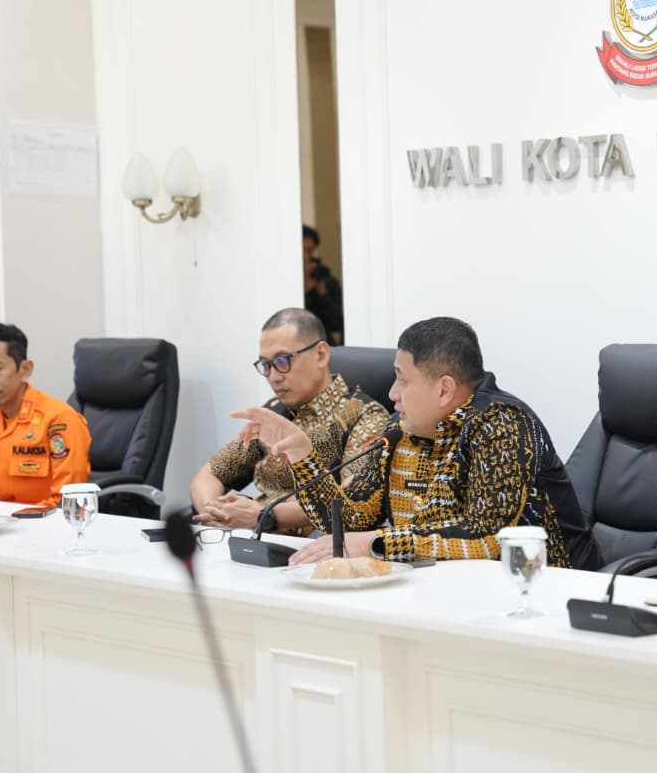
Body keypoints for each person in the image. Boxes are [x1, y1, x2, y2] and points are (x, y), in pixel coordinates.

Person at [232, 316, 604, 570]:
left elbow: (484, 536)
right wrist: (301, 453)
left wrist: (376, 543)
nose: (392, 393)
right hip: (444, 592)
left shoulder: (502, 425)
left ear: (444, 389)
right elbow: (351, 519)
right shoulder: (401, 429)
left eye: (402, 380)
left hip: (553, 594)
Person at [190, 308, 389, 532]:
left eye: (283, 361)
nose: (274, 377)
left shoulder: (364, 414)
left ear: (321, 355)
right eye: (266, 365)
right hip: (252, 538)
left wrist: (263, 516)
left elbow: (353, 499)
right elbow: (210, 474)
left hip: (315, 545)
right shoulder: (274, 412)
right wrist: (216, 513)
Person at [0, 322, 91, 508]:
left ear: (25, 369)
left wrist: (16, 520)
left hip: (48, 521)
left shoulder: (59, 419)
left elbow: (67, 500)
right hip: (4, 522)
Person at [302, 225, 344, 345]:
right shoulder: (285, 281)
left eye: (310, 250)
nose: (306, 256)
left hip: (323, 343)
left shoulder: (323, 277)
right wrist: (306, 289)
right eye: (303, 250)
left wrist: (323, 293)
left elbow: (338, 323)